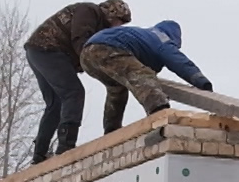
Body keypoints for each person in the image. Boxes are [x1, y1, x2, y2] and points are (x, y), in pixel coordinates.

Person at [24, 0, 133, 164]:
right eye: (118, 21)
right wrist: (95, 65)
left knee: (55, 104)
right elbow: (80, 40)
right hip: (48, 49)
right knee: (74, 92)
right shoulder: (89, 11)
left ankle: (39, 155)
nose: (118, 26)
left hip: (38, 52)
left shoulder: (99, 28)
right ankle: (66, 147)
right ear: (110, 13)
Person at [80, 20, 214, 131]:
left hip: (87, 56)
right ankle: (159, 114)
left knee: (117, 91)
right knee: (143, 75)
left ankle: (111, 130)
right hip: (108, 48)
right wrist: (201, 81)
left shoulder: (146, 36)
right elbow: (179, 61)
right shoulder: (162, 39)